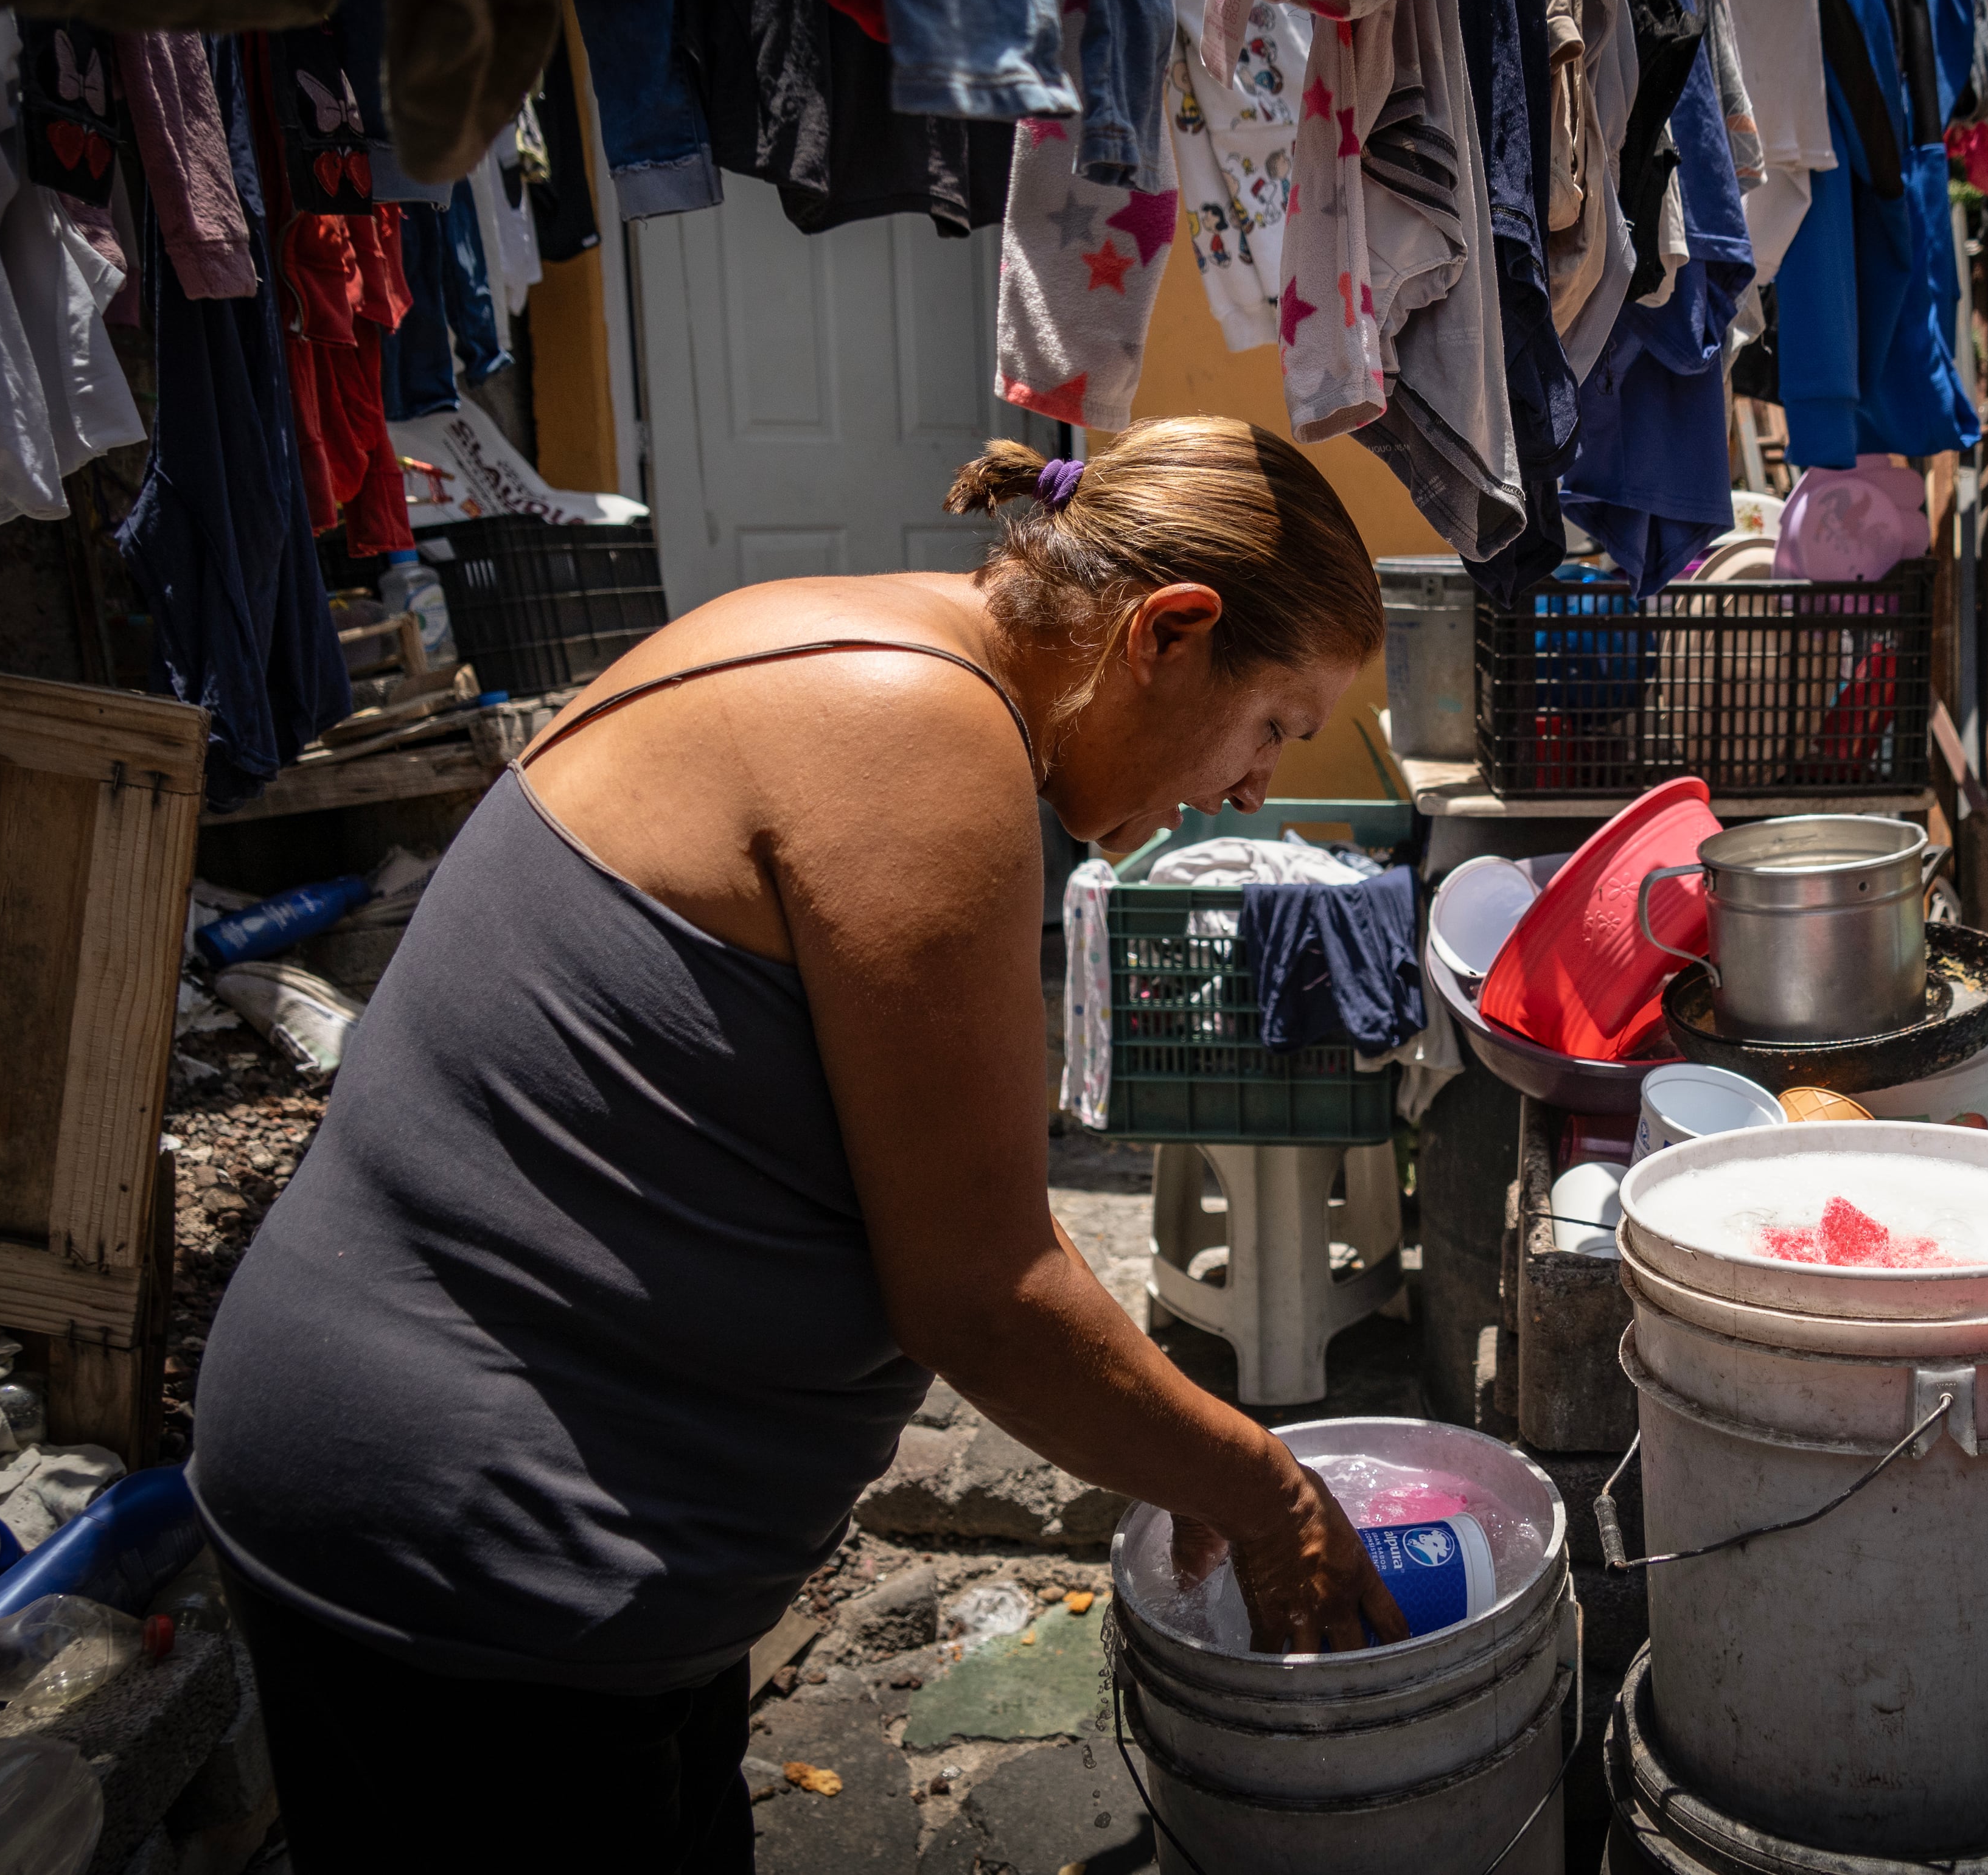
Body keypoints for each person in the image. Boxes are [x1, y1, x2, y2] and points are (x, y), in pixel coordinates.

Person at [189, 416, 1411, 1871]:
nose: (1258, 787)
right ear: (1170, 629)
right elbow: (982, 1289)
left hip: (516, 1539)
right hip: (467, 1553)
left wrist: (1168, 1446)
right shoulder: (915, 730)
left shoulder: (833, 632)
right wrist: (1263, 1489)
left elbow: (907, 1186)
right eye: (1274, 723)